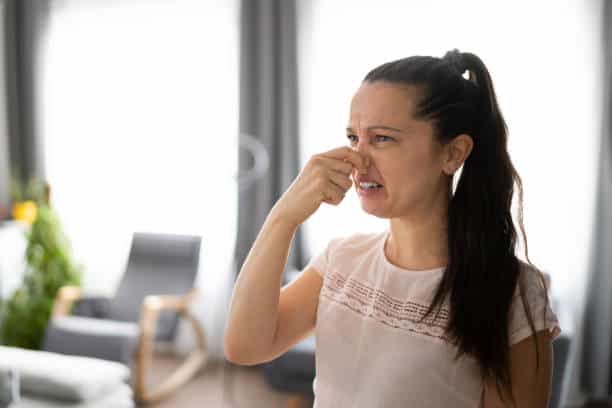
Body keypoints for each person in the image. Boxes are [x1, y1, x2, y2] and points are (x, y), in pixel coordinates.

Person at [224, 49, 561, 407]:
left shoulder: (513, 294)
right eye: (354, 137)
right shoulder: (341, 260)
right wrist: (284, 216)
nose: (358, 159)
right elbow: (245, 347)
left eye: (382, 138)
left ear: (453, 153)